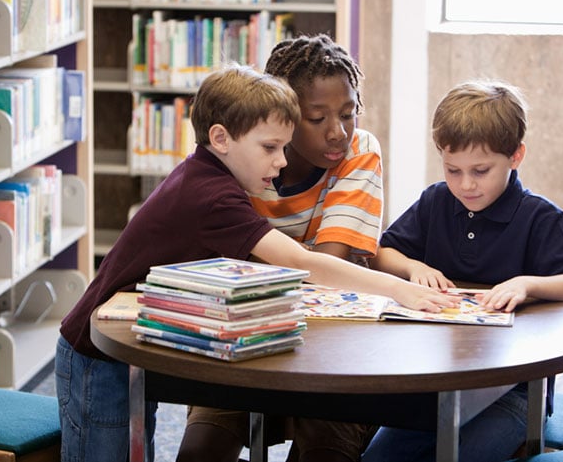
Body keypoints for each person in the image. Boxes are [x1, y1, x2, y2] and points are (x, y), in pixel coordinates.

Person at [56, 64, 457, 462]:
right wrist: (400, 289)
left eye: (284, 147)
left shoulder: (206, 174)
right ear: (221, 138)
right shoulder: (215, 198)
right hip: (97, 353)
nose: (282, 161)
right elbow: (303, 262)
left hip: (125, 345)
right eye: (270, 148)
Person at [361, 79, 563, 462]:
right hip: (433, 380)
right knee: (377, 459)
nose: (466, 185)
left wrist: (527, 284)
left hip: (515, 390)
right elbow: (382, 253)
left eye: (481, 171)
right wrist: (412, 266)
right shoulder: (436, 200)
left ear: (516, 156)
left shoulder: (540, 216)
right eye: (453, 170)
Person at [179, 34, 385, 462]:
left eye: (349, 114)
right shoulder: (239, 155)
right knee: (200, 451)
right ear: (285, 115)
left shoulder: (360, 151)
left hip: (333, 347)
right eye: (317, 118)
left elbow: (326, 269)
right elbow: (224, 267)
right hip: (245, 337)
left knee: (325, 450)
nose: (339, 132)